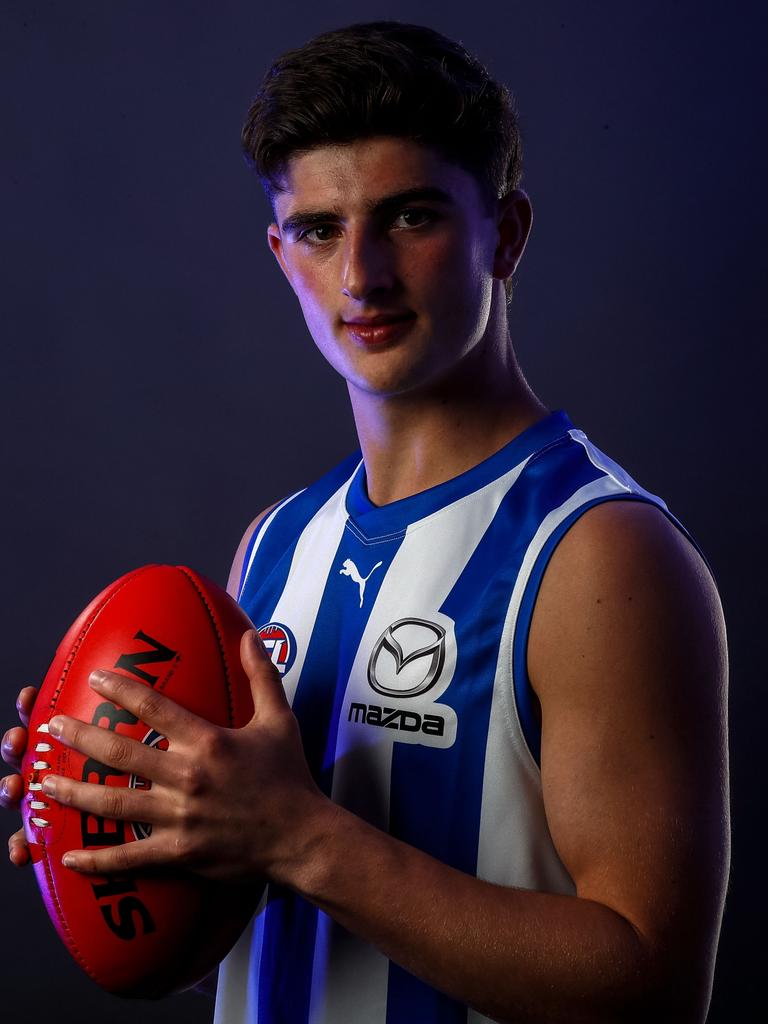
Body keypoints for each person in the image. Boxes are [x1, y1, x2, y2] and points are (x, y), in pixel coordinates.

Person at [1, 20, 730, 1024]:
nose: (362, 275)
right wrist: (121, 795)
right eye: (319, 229)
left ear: (506, 234)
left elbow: (653, 985)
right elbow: (241, 883)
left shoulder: (600, 552)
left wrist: (298, 834)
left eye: (411, 217)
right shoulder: (276, 541)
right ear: (278, 248)